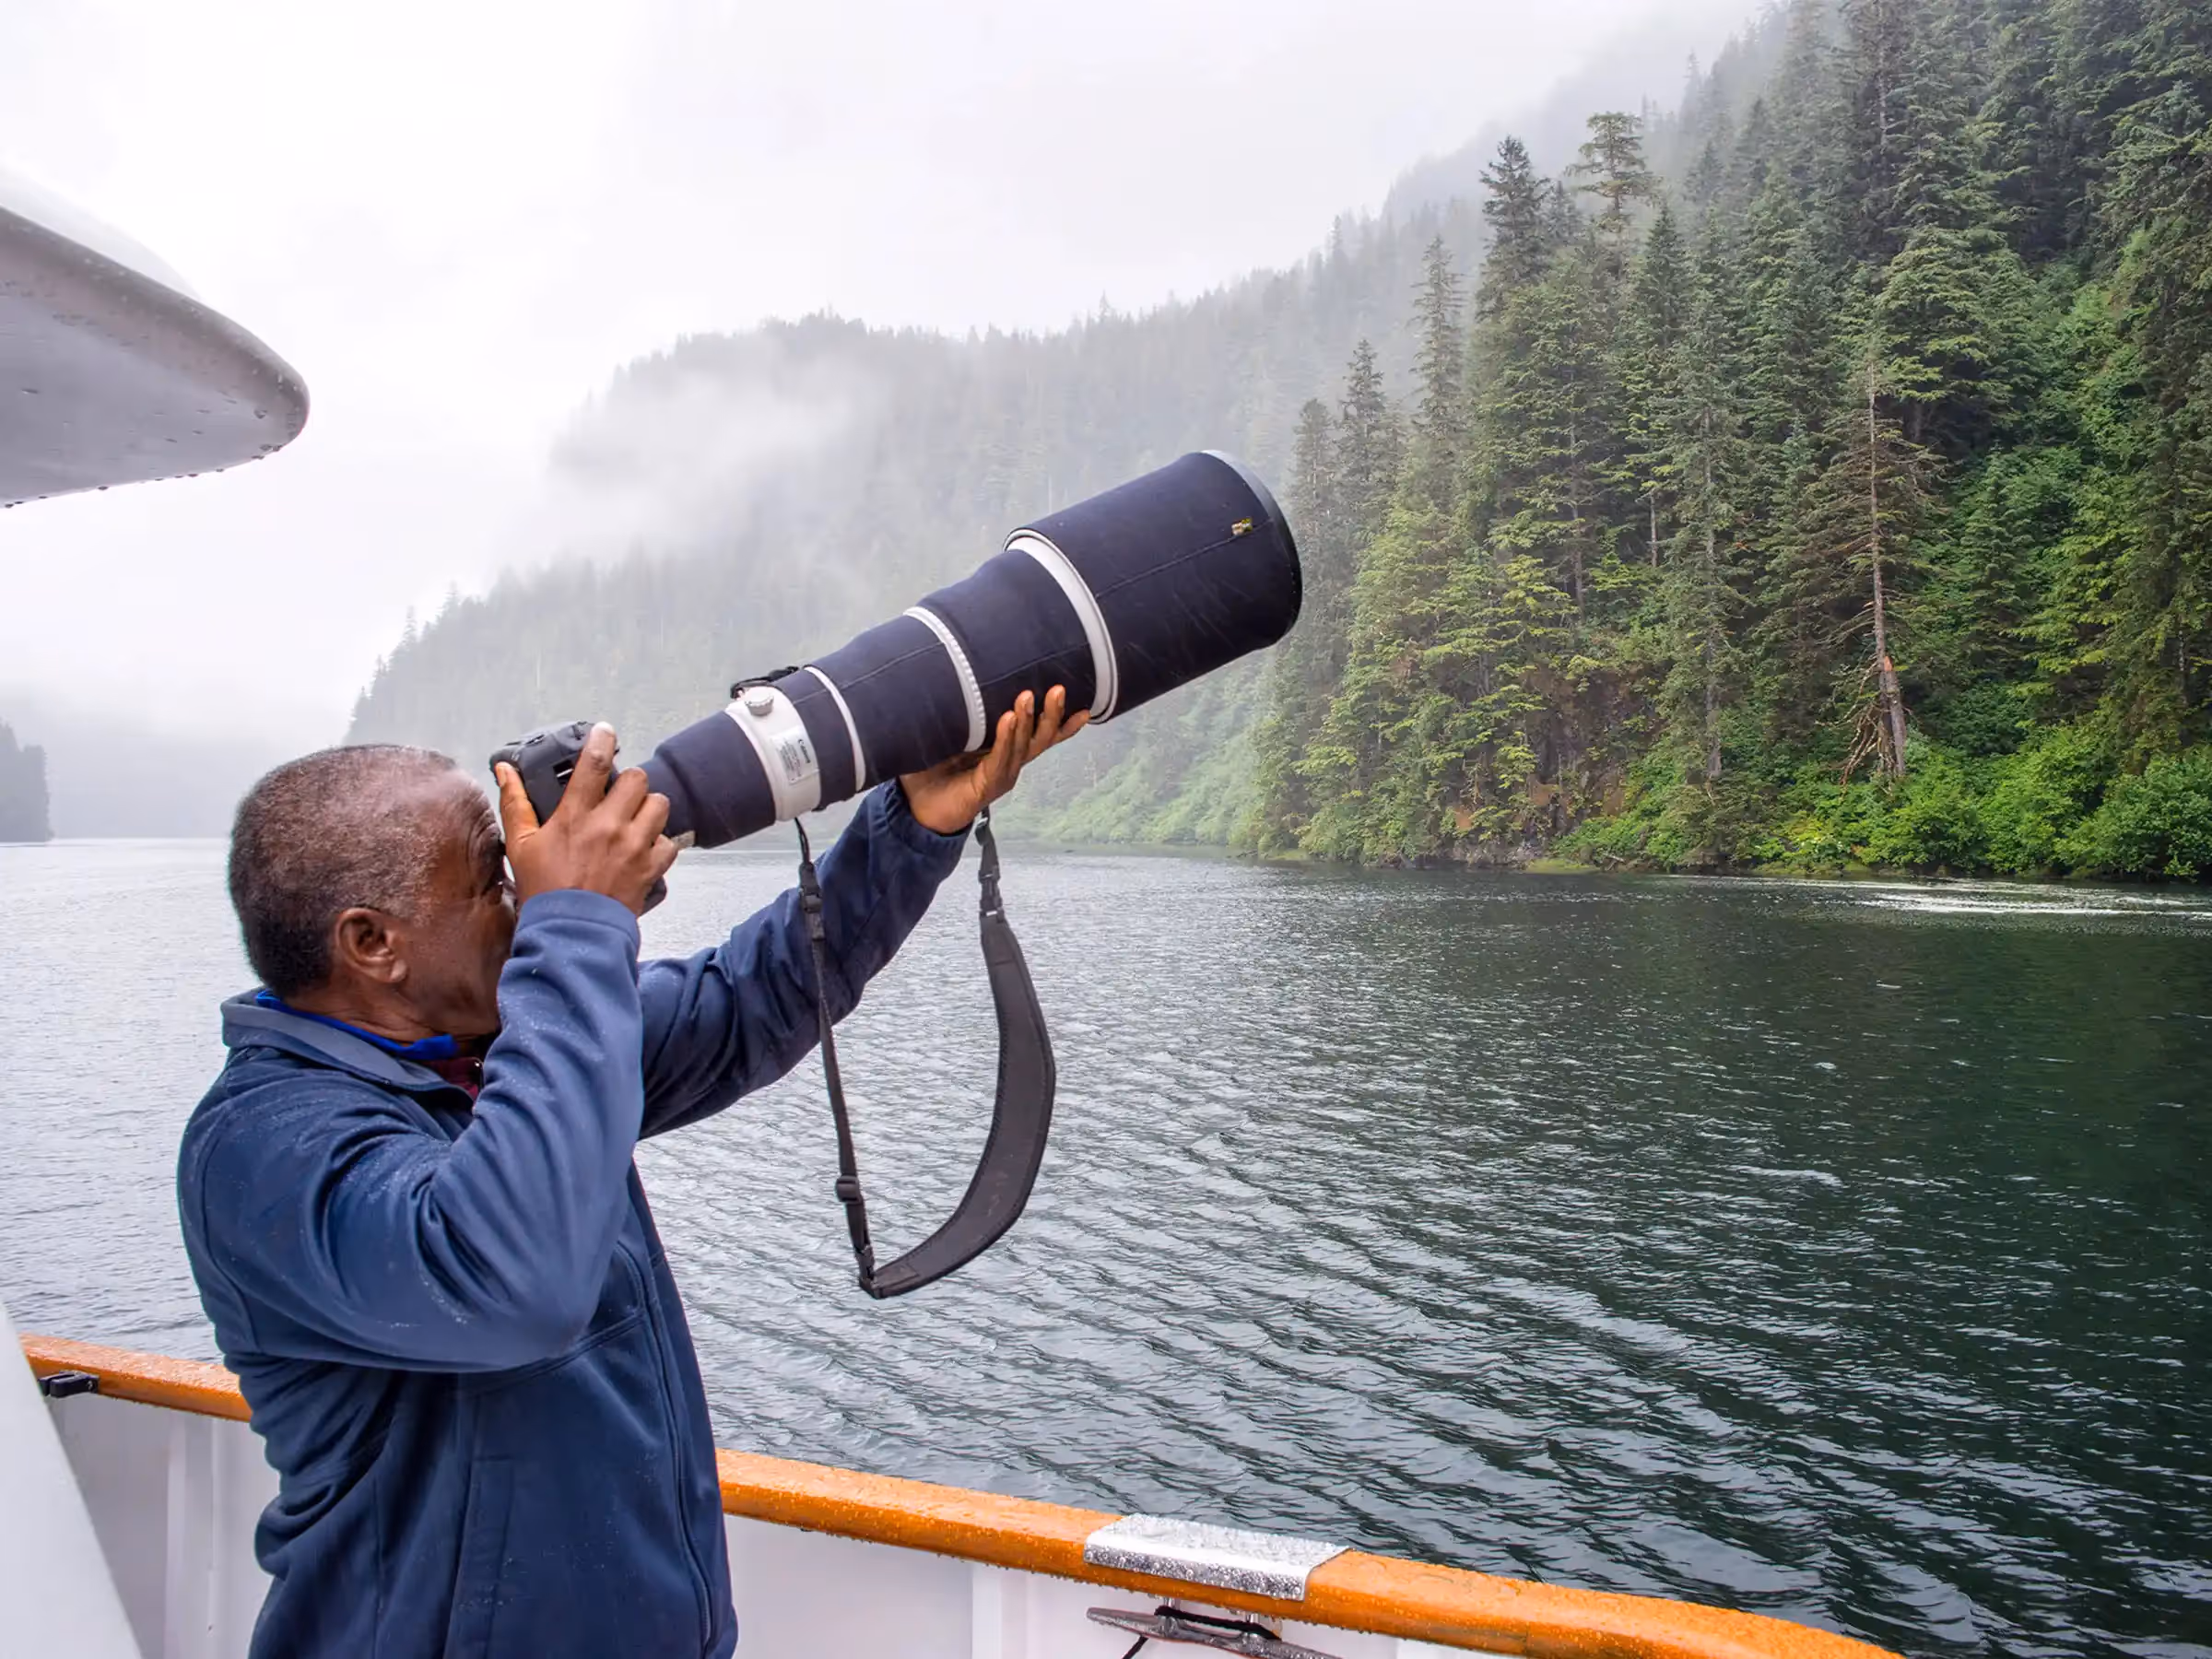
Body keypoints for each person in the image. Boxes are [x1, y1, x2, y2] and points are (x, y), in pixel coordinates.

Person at [177, 689, 1084, 1659]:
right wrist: (573, 924)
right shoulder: (265, 1149)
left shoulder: (501, 1050)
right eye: (496, 880)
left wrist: (912, 821)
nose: (526, 894)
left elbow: (752, 998)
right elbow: (509, 1280)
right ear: (373, 944)